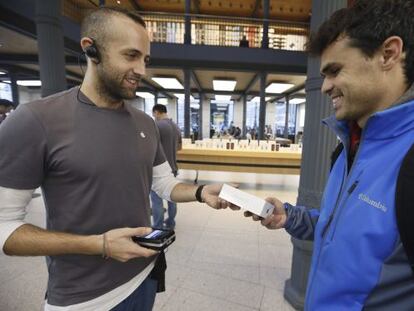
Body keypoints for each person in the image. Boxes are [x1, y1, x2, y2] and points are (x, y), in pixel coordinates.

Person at [0, 7, 235, 311]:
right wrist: (100, 245)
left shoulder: (145, 124)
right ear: (91, 50)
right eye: (130, 56)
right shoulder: (34, 120)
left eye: (145, 60)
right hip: (82, 299)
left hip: (145, 275)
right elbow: (5, 228)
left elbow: (163, 184)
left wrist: (202, 193)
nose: (141, 70)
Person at [247, 1, 414, 310]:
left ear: (388, 54)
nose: (324, 87)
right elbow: (344, 230)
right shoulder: (350, 144)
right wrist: (292, 217)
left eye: (335, 71)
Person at [151, 104, 181, 229]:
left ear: (157, 112)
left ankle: (158, 226)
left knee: (156, 199)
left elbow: (150, 147)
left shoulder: (157, 126)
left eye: (153, 114)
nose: (154, 116)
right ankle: (171, 222)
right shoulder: (175, 126)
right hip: (173, 167)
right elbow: (179, 147)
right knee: (171, 196)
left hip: (159, 169)